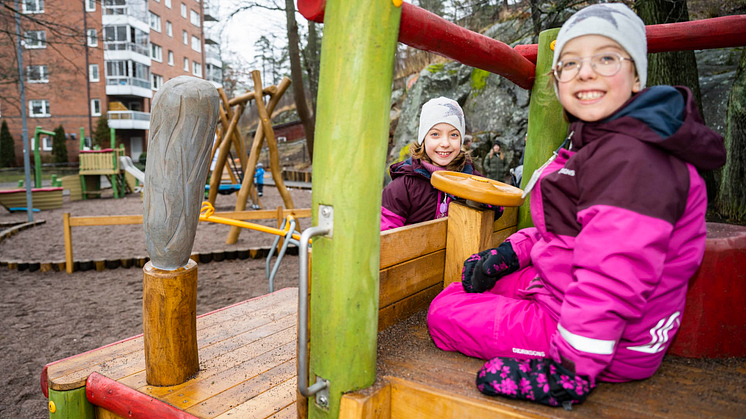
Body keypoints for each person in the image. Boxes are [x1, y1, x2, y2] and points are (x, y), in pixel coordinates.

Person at [426, 3, 726, 409]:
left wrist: (568, 373)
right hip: (562, 287)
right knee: (469, 281)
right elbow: (566, 227)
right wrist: (508, 253)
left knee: (444, 310)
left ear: (637, 76)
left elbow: (612, 280)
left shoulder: (637, 162)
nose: (585, 71)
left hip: (601, 340)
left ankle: (565, 361)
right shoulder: (592, 142)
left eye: (605, 57)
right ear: (558, 79)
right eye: (569, 62)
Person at [381, 97, 491, 231]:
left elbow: (498, 207)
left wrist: (488, 203)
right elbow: (385, 232)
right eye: (435, 134)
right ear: (423, 139)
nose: (445, 143)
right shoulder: (404, 186)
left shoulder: (470, 176)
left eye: (454, 135)